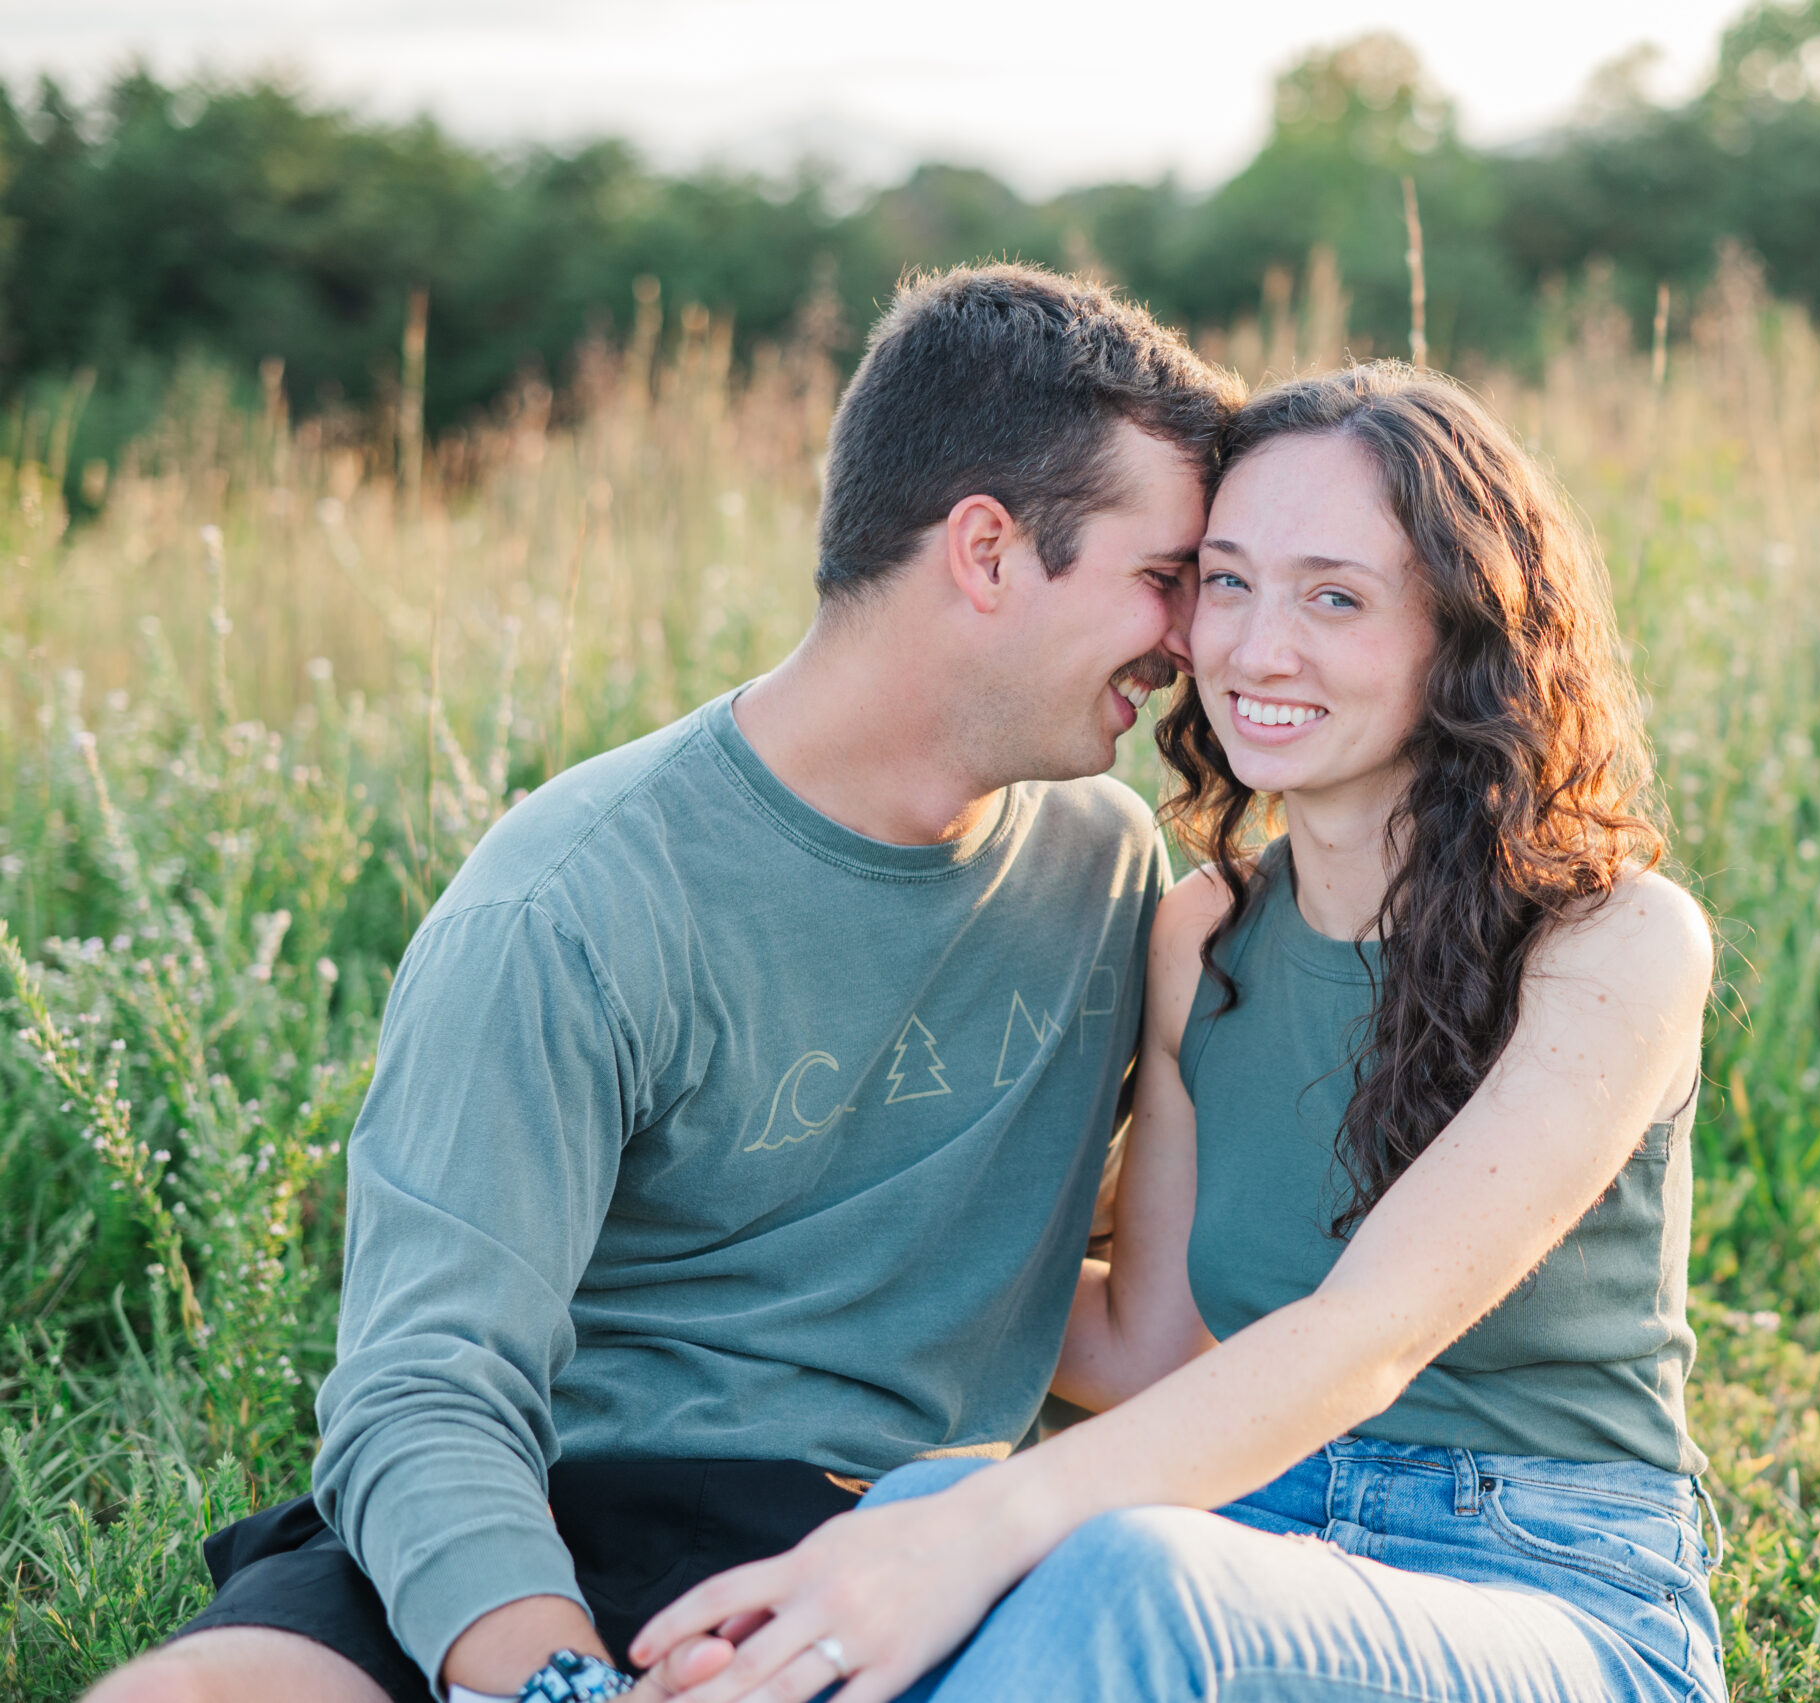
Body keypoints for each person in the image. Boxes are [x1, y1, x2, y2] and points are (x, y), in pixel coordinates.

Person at [85, 265, 1244, 1703]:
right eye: (1163, 580)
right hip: (528, 1519)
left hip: (858, 1553)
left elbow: (1145, 1325)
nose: (1193, 642)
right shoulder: (572, 899)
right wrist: (552, 1680)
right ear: (989, 551)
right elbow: (425, 1385)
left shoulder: (1105, 867)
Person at [631, 364, 1725, 1703]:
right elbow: (1149, 1350)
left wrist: (973, 1534)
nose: (1257, 650)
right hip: (1250, 1531)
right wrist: (778, 1255)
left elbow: (1360, 1339)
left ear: (1464, 633)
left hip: (1552, 1589)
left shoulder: (1612, 944)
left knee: (1105, 1573)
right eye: (1226, 580)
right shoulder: (1201, 937)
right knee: (915, 1498)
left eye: (1337, 596)